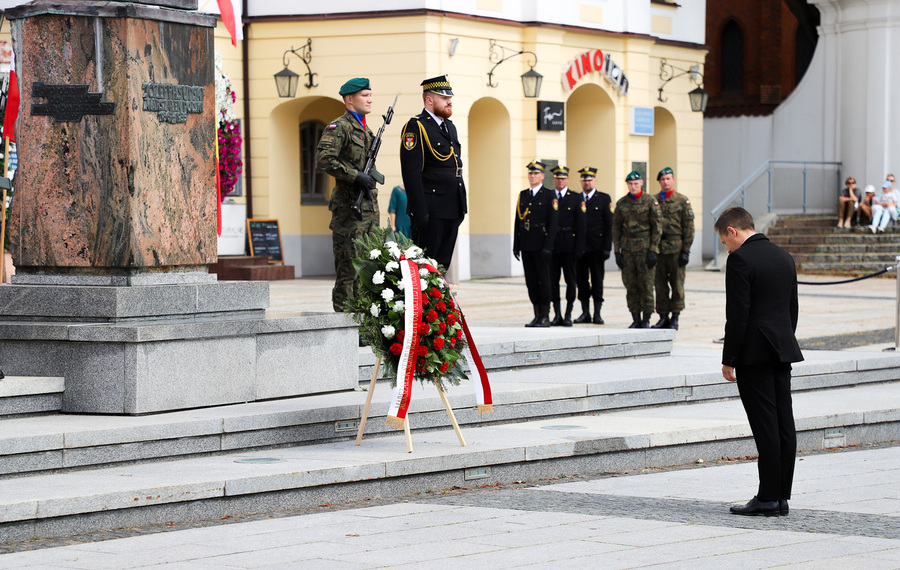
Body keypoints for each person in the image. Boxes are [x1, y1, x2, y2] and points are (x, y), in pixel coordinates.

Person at [716, 206, 803, 517]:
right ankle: (781, 496)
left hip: (754, 354)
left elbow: (737, 315)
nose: (726, 248)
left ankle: (767, 497)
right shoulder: (784, 256)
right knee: (783, 424)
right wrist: (782, 340)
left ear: (733, 232)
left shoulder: (740, 259)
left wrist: (730, 358)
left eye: (724, 242)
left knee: (765, 424)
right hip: (782, 349)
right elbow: (792, 309)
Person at [316, 77, 379, 312]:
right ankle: (344, 326)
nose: (370, 99)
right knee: (349, 271)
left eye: (371, 95)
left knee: (370, 269)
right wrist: (355, 176)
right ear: (350, 99)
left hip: (369, 211)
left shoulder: (367, 131)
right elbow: (324, 160)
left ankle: (363, 324)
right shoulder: (339, 127)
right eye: (365, 95)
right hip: (349, 211)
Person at [399, 75, 467, 269]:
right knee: (426, 267)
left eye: (449, 98)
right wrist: (419, 211)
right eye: (444, 98)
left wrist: (461, 205)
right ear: (429, 100)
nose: (449, 101)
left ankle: (439, 300)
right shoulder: (416, 126)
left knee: (442, 267)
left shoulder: (450, 127)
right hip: (431, 209)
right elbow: (411, 173)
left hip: (452, 206)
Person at [612, 170, 661, 328]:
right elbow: (616, 229)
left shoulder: (650, 201)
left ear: (641, 183)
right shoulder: (622, 203)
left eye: (636, 183)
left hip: (645, 249)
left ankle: (646, 318)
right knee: (630, 285)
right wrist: (617, 251)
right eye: (630, 184)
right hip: (627, 250)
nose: (633, 186)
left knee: (646, 284)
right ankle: (635, 317)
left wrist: (653, 250)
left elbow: (657, 227)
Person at [514, 161, 559, 327]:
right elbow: (517, 221)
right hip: (527, 243)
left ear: (542, 176)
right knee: (531, 281)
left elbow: (553, 224)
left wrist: (548, 246)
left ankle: (545, 315)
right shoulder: (523, 195)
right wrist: (516, 244)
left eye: (536, 173)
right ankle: (536, 314)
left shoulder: (549, 195)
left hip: (541, 243)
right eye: (530, 173)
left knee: (544, 280)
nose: (532, 176)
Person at [651, 167, 694, 330]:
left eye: (668, 178)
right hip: (659, 249)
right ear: (659, 182)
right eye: (662, 179)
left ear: (673, 180)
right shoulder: (653, 201)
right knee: (660, 284)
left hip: (676, 248)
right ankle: (663, 316)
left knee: (677, 284)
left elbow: (688, 226)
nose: (665, 182)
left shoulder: (682, 200)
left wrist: (686, 250)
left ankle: (675, 316)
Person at [574, 167, 613, 325]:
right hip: (580, 247)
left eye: (589, 180)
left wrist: (607, 247)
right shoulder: (576, 199)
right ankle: (585, 312)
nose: (587, 182)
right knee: (581, 281)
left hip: (597, 246)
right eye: (584, 180)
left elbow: (609, 225)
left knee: (597, 280)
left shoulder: (604, 198)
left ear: (595, 181)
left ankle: (597, 313)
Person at [548, 165, 585, 326]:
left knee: (571, 281)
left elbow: (582, 225)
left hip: (570, 245)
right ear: (554, 179)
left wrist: (579, 247)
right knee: (553, 281)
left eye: (563, 178)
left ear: (568, 179)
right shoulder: (549, 196)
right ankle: (557, 314)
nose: (560, 181)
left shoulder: (576, 198)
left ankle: (568, 313)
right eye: (558, 178)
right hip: (553, 245)